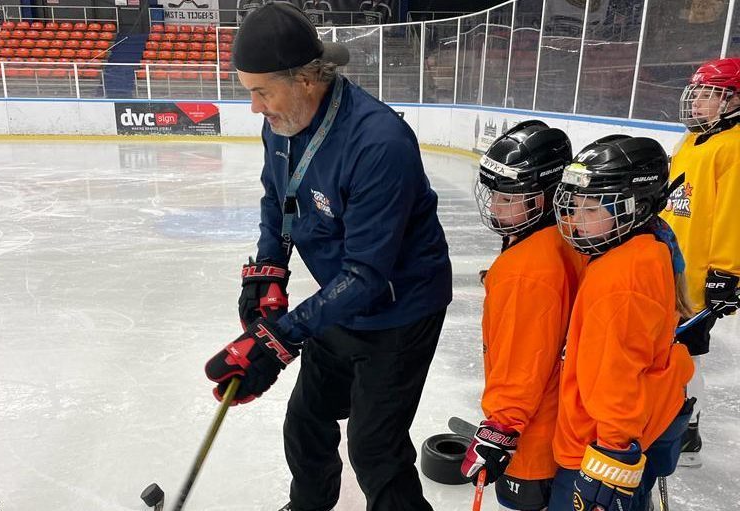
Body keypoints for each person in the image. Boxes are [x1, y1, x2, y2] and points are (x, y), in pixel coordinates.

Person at [203, 3, 453, 511]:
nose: (254, 107)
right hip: (343, 299)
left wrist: (278, 340)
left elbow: (367, 274)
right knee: (306, 420)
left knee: (374, 447)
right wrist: (267, 271)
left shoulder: (379, 143)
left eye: (261, 91)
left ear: (305, 80)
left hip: (400, 310)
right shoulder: (283, 121)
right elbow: (278, 198)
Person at [548, 135, 694, 511]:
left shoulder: (620, 279)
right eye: (575, 205)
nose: (575, 219)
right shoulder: (648, 245)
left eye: (591, 208)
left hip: (595, 450)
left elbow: (617, 375)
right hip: (628, 432)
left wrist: (611, 458)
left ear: (636, 207)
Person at [460, 121, 586, 510]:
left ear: (547, 197)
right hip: (567, 424)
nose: (495, 206)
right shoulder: (568, 236)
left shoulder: (528, 271)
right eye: (494, 194)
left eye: (510, 198)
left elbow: (523, 359)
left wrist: (500, 429)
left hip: (536, 438)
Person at [662, 57, 740, 467]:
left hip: (699, 276)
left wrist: (728, 271)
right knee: (665, 350)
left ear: (734, 101)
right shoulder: (691, 141)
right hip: (670, 267)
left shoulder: (735, 146)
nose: (698, 102)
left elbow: (733, 213)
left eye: (710, 94)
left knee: (687, 356)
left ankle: (688, 432)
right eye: (698, 93)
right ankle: (667, 418)